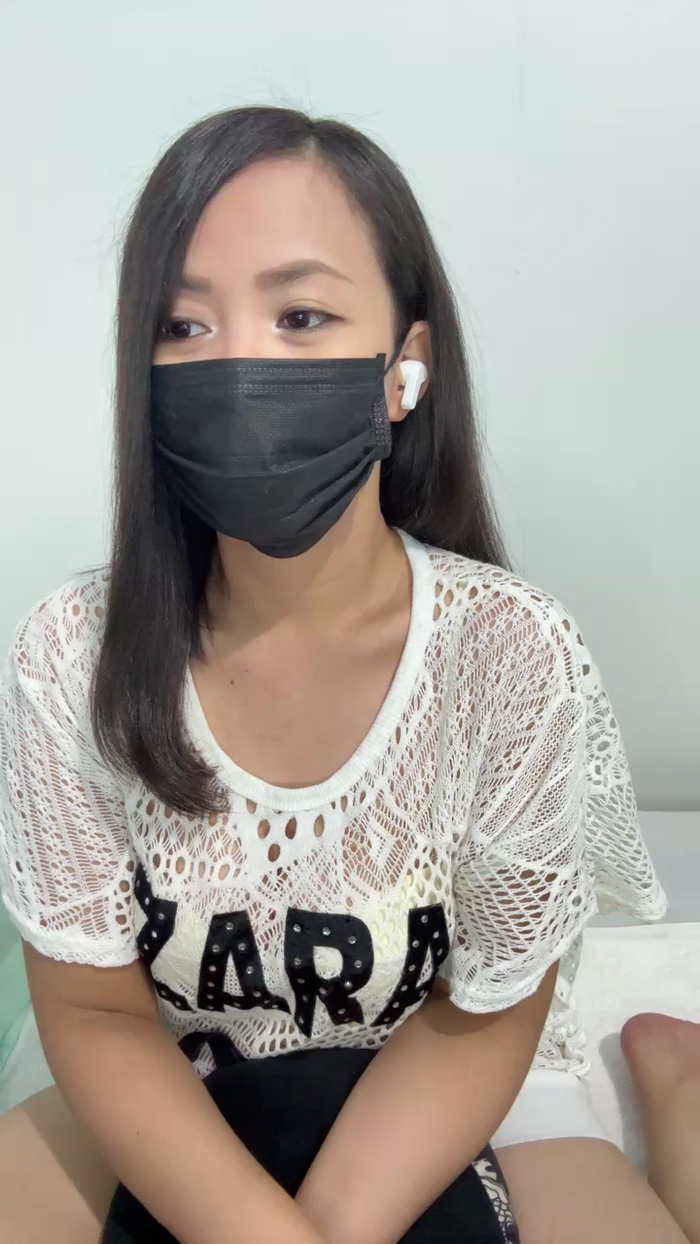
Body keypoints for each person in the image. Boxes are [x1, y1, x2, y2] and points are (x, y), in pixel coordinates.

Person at [0, 103, 696, 1244]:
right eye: (182, 324)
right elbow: (93, 1008)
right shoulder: (66, 654)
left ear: (405, 366)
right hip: (169, 1069)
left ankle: (679, 1091)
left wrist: (323, 1225)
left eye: (301, 315)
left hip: (454, 1064)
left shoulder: (512, 654)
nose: (237, 366)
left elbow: (485, 1005)